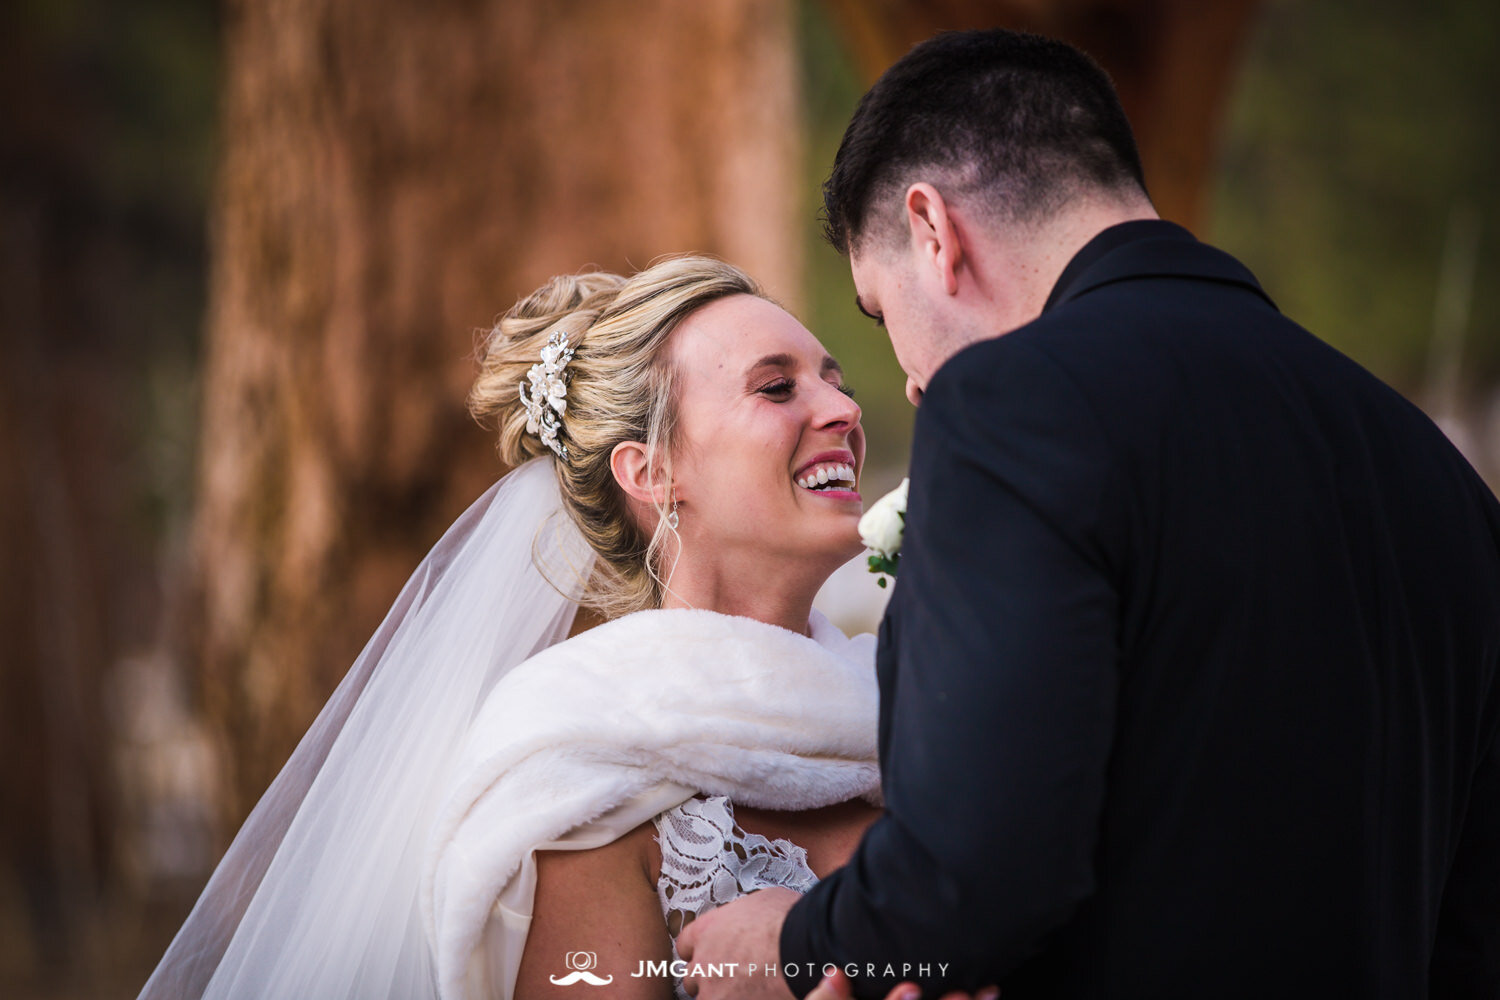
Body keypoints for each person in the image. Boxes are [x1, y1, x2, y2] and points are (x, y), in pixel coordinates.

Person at [679, 28, 1500, 1000]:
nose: (904, 377)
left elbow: (973, 871)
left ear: (933, 231)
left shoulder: (1013, 404)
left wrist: (798, 944)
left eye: (876, 309)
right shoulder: (1431, 469)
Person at [138, 256, 891, 1000]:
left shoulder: (908, 712)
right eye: (776, 387)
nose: (843, 410)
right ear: (651, 472)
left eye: (836, 382)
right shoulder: (581, 765)